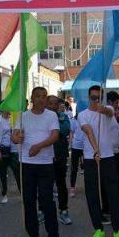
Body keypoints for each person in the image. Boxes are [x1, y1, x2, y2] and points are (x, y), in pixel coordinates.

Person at [79, 85, 119, 237]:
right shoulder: (82, 114)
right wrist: (95, 149)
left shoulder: (107, 110)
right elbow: (88, 131)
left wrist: (103, 109)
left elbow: (109, 112)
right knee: (92, 194)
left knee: (113, 194)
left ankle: (118, 231)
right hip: (91, 159)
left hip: (108, 158)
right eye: (93, 97)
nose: (96, 100)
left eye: (99, 97)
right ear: (89, 97)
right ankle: (98, 229)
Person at [11, 87, 61, 237]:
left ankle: (53, 235)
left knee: (47, 200)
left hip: (45, 163)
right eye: (38, 96)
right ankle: (33, 235)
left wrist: (39, 146)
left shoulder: (51, 115)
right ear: (32, 98)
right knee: (29, 200)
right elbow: (14, 135)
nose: (41, 99)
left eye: (44, 96)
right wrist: (16, 138)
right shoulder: (23, 116)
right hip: (26, 163)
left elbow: (55, 136)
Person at [47, 95, 72, 225]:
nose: (52, 106)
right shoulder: (42, 117)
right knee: (45, 185)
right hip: (45, 157)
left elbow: (65, 130)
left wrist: (55, 123)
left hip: (60, 156)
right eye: (50, 103)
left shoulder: (63, 116)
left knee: (61, 184)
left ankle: (63, 210)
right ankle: (43, 210)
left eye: (55, 104)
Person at [0, 110, 20, 204]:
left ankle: (22, 192)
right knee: (3, 172)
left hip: (13, 149)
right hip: (3, 148)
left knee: (17, 172)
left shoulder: (13, 119)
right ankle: (4, 194)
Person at [69, 113, 85, 198]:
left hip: (85, 147)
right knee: (74, 168)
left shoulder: (86, 119)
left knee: (86, 167)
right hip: (75, 146)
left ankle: (89, 187)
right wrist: (70, 144)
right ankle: (72, 187)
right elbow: (71, 133)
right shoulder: (73, 121)